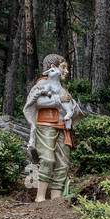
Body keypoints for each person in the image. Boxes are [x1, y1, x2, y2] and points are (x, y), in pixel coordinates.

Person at [22, 53, 77, 201]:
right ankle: (40, 197)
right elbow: (37, 103)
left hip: (63, 127)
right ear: (53, 68)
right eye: (63, 67)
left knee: (63, 162)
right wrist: (58, 99)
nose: (66, 71)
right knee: (47, 159)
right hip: (46, 125)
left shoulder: (62, 87)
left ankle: (56, 197)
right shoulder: (42, 85)